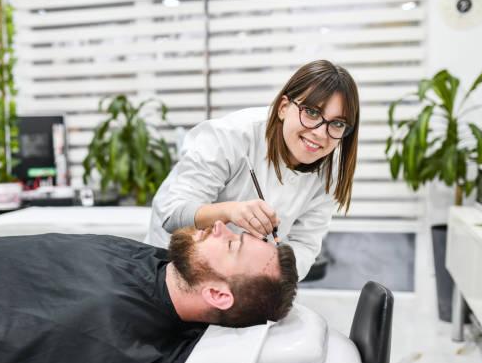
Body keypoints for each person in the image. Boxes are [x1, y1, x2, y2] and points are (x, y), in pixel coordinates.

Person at [0, 222, 297, 363]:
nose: (219, 225)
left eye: (230, 243)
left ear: (217, 294)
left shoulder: (100, 322)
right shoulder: (165, 268)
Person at [146, 60, 360, 279]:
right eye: (312, 112)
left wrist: (268, 276)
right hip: (176, 267)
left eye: (337, 124)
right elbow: (172, 213)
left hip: (245, 280)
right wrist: (230, 211)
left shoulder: (330, 170)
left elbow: (305, 245)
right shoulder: (232, 136)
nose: (321, 133)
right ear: (284, 107)